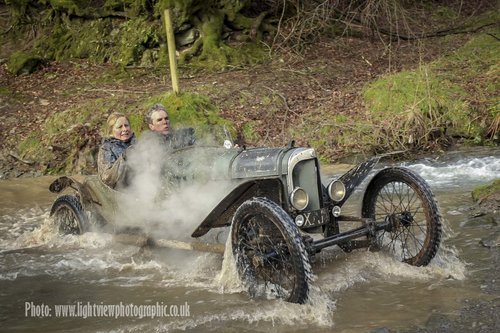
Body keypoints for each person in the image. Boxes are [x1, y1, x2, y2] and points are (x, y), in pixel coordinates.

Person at [97, 112, 136, 188]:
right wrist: (124, 158)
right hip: (119, 193)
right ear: (111, 131)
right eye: (120, 127)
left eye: (126, 125)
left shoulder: (138, 144)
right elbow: (107, 178)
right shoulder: (106, 149)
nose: (124, 129)